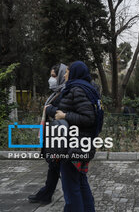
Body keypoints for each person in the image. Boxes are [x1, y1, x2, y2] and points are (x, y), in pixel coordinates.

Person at [45, 61, 102, 212]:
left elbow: (88, 118)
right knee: (81, 183)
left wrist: (64, 115)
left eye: (67, 71)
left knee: (71, 188)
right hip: (82, 143)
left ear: (75, 72)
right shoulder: (87, 88)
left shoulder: (77, 89)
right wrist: (54, 111)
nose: (65, 74)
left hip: (73, 145)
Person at [28, 63, 67, 204]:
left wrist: (50, 109)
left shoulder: (64, 92)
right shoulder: (56, 92)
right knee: (54, 167)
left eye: (54, 76)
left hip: (59, 137)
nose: (51, 79)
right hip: (54, 135)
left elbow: (60, 112)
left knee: (57, 167)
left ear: (61, 76)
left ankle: (47, 194)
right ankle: (46, 194)